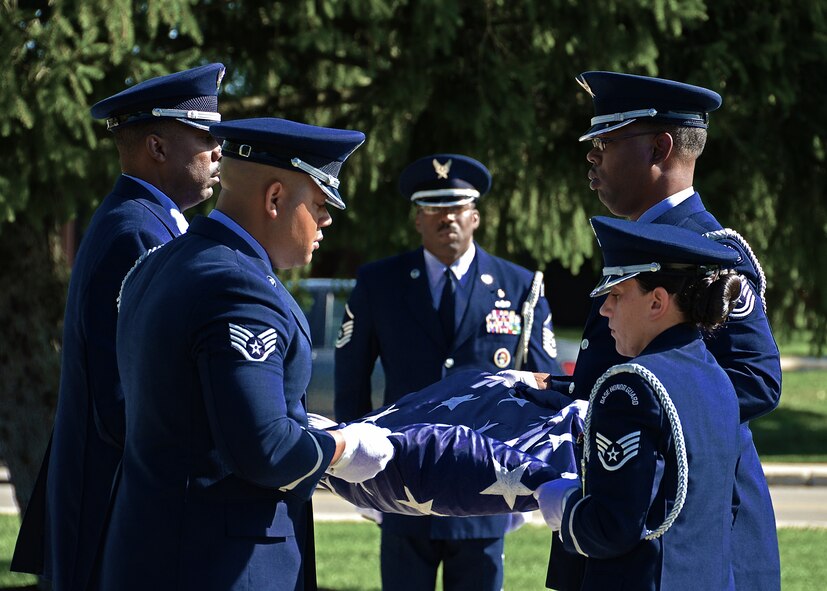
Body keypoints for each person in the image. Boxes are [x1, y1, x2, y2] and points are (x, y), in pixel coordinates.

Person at [102, 117, 394, 591]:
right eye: (319, 204)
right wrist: (345, 448)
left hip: (154, 548)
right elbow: (264, 449)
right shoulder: (239, 287)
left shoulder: (160, 263)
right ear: (274, 198)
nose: (327, 221)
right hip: (219, 563)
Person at [546, 71, 781, 590]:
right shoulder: (641, 242)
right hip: (618, 501)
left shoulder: (706, 250)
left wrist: (649, 414)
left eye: (605, 143)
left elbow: (757, 380)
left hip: (684, 519)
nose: (592, 158)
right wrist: (569, 396)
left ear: (660, 147)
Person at [11, 63, 226, 590]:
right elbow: (125, 399)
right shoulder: (137, 234)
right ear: (156, 147)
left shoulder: (143, 221)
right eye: (206, 136)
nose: (219, 150)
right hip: (118, 512)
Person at [334, 153, 562, 591]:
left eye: (457, 209)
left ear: (475, 216)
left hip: (489, 481)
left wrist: (534, 476)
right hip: (400, 478)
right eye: (434, 209)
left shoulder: (519, 286)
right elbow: (351, 379)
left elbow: (546, 385)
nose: (447, 220)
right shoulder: (379, 283)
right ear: (417, 220)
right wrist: (354, 476)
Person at [535, 216, 743, 590]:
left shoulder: (630, 385)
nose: (604, 310)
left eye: (616, 295)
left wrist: (560, 503)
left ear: (657, 302)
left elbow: (612, 526)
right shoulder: (717, 377)